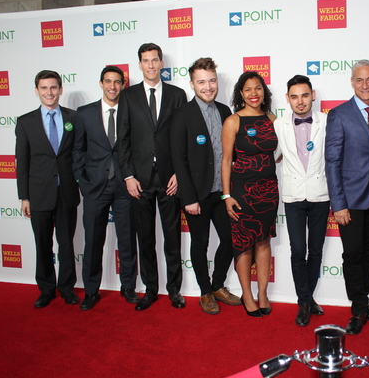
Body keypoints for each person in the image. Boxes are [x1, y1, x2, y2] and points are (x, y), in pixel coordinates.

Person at [117, 43, 188, 311]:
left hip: (170, 179)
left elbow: (182, 141)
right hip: (140, 180)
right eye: (145, 61)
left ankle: (174, 290)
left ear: (161, 63)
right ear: (139, 65)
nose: (150, 65)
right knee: (145, 238)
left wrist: (179, 175)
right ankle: (150, 290)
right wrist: (128, 176)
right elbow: (122, 139)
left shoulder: (177, 94)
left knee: (172, 238)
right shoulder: (128, 96)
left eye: (155, 60)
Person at [324, 60, 369, 335]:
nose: (365, 85)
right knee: (353, 253)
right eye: (359, 80)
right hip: (350, 198)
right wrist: (338, 203)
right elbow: (332, 161)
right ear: (352, 82)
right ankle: (358, 308)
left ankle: (363, 303)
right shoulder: (339, 114)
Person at [171, 58, 241, 314]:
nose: (208, 86)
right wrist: (188, 198)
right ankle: (204, 292)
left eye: (212, 80)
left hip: (222, 193)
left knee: (232, 239)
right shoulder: (182, 115)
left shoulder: (225, 111)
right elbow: (179, 158)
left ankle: (218, 285)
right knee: (200, 244)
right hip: (197, 196)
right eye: (201, 81)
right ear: (192, 84)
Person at [72, 66, 138, 310]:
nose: (112, 86)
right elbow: (78, 149)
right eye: (108, 81)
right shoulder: (84, 113)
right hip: (95, 187)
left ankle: (128, 287)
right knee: (93, 241)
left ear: (123, 85)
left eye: (117, 82)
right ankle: (91, 290)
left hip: (125, 186)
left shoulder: (130, 111)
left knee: (128, 240)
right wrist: (82, 180)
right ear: (101, 83)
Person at [16, 70, 80, 308]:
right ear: (37, 91)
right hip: (38, 194)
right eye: (44, 88)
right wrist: (24, 196)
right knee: (42, 243)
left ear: (61, 89)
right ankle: (45, 289)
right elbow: (22, 161)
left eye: (53, 87)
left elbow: (78, 154)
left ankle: (67, 288)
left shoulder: (73, 117)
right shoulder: (25, 122)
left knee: (66, 243)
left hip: (66, 192)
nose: (49, 92)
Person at [221, 71, 278, 318]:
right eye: (247, 89)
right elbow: (225, 161)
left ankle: (263, 293)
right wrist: (226, 195)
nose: (253, 93)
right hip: (242, 192)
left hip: (269, 190)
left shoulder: (272, 118)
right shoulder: (233, 121)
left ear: (263, 92)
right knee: (244, 244)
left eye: (258, 88)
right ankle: (247, 294)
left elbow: (281, 150)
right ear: (240, 94)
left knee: (264, 241)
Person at [274, 75, 328, 327]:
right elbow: (271, 155)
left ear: (313, 95)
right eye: (294, 96)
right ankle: (304, 301)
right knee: (298, 250)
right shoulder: (278, 125)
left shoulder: (327, 122)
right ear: (287, 99)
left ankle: (307, 298)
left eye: (305, 95)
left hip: (321, 193)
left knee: (315, 250)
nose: (300, 101)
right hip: (293, 195)